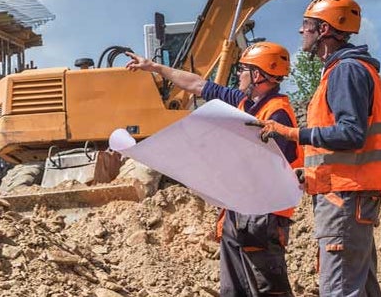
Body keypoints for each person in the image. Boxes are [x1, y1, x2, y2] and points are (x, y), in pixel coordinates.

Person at [250, 0, 381, 297]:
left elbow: (350, 134)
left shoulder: (346, 71)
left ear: (324, 30)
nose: (300, 32)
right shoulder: (344, 70)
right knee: (361, 288)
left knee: (340, 289)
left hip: (344, 199)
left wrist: (293, 134)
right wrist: (308, 174)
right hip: (346, 195)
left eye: (306, 25)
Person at [126, 42, 301, 297]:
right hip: (238, 211)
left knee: (267, 290)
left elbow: (268, 170)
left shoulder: (277, 114)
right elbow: (198, 85)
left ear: (259, 75)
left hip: (262, 215)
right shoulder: (244, 102)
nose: (238, 73)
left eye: (243, 69)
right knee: (234, 289)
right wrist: (154, 67)